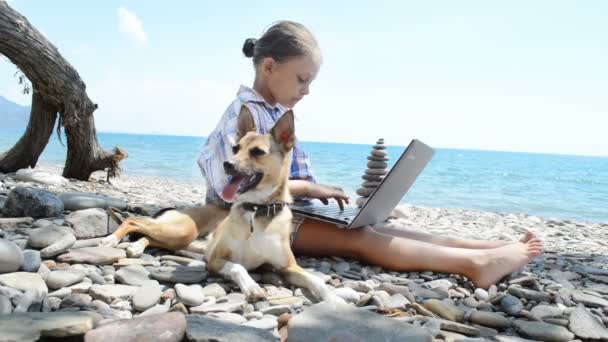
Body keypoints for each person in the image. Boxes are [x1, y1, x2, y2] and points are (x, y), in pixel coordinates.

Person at [197, 20, 543, 289]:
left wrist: (310, 191)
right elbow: (230, 182)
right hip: (254, 222)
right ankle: (475, 266)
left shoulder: (273, 114)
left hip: (287, 210)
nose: (307, 91)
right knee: (361, 238)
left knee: (374, 223)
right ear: (269, 67)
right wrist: (310, 189)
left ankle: (482, 247)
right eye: (302, 79)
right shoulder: (243, 114)